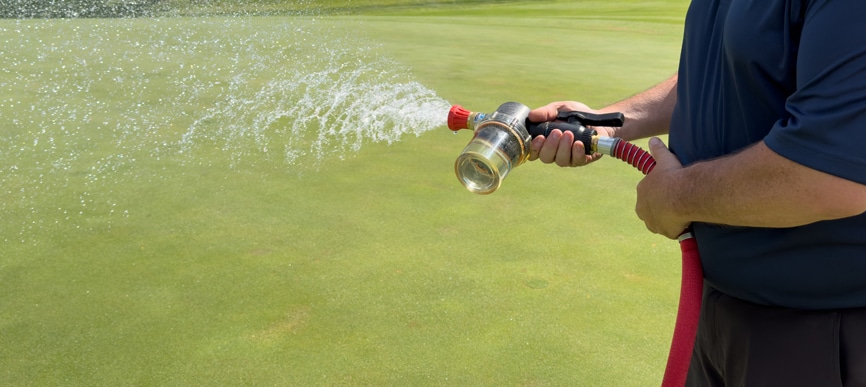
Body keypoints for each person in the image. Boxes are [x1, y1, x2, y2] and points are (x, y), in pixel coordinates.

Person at [527, 0, 866, 385]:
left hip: (820, 332)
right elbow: (727, 65)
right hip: (719, 308)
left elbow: (829, 176)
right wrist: (607, 124)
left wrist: (675, 198)